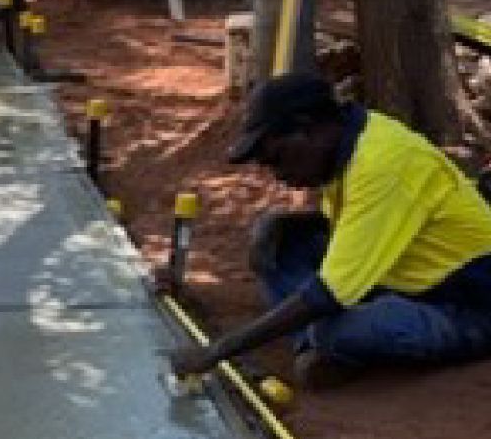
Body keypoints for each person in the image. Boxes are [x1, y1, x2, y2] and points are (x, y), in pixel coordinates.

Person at [170, 72, 491, 388]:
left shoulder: (383, 166)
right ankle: (316, 349)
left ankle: (325, 344)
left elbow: (329, 294)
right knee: (278, 242)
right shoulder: (347, 144)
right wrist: (281, 223)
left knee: (338, 329)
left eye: (279, 158)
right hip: (402, 277)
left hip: (466, 306)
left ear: (308, 129)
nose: (279, 175)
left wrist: (218, 351)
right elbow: (346, 227)